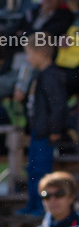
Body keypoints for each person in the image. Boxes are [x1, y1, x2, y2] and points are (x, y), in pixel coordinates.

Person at [17, 37, 71, 215]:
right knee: (32, 169)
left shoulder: (51, 76)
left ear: (41, 53)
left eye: (29, 54)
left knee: (41, 170)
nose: (28, 58)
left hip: (46, 133)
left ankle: (41, 206)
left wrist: (55, 129)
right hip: (37, 131)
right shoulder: (37, 75)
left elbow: (58, 105)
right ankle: (32, 203)